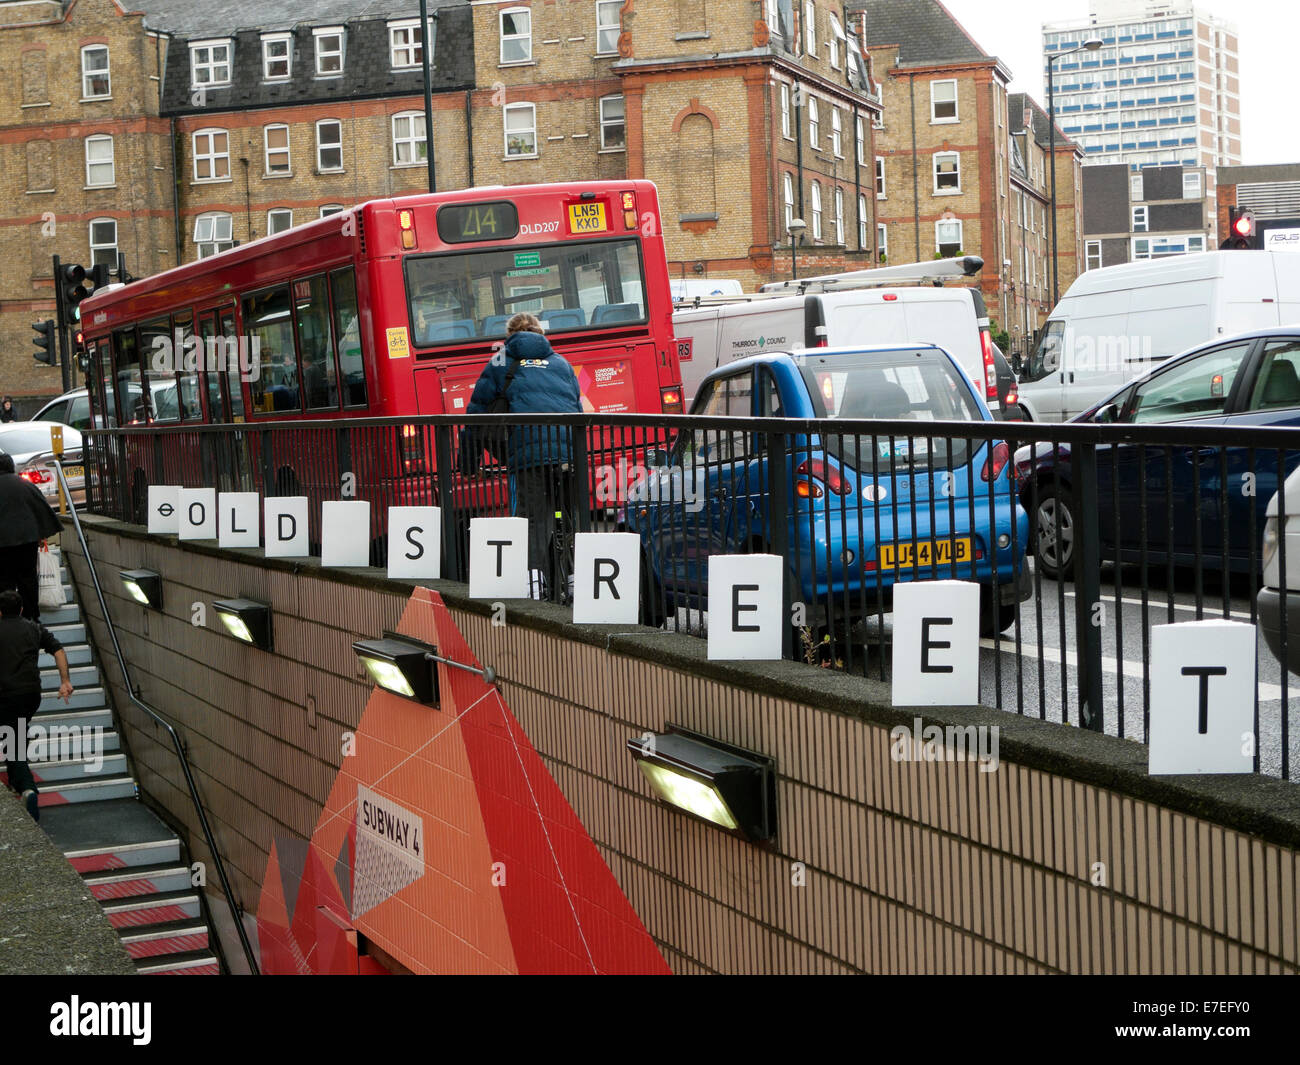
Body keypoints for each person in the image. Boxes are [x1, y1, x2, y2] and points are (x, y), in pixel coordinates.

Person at [465, 313, 583, 599]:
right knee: (569, 517)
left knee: (530, 519)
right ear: (540, 333)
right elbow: (577, 409)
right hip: (567, 453)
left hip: (528, 456)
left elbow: (476, 411)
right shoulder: (561, 363)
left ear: (510, 335)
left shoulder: (500, 362)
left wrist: (469, 461)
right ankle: (575, 581)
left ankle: (533, 584)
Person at [0, 589, 74, 821]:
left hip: (5, 695)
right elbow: (58, 650)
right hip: (30, 695)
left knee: (14, 739)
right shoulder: (33, 628)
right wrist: (65, 681)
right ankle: (16, 782)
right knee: (15, 735)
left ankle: (28, 788)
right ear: (21, 609)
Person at [0, 451, 63, 621]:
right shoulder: (26, 485)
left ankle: (7, 618)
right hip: (27, 542)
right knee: (27, 579)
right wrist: (41, 535)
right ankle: (31, 617)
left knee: (5, 581)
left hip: (3, 545)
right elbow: (40, 510)